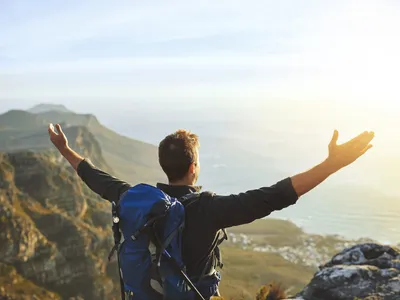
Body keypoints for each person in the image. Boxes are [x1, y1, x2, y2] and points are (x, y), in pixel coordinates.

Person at [48, 124, 374, 299]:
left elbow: (94, 177)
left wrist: (64, 149)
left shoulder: (134, 199)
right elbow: (277, 195)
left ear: (165, 166)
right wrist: (333, 164)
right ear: (193, 168)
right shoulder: (210, 209)